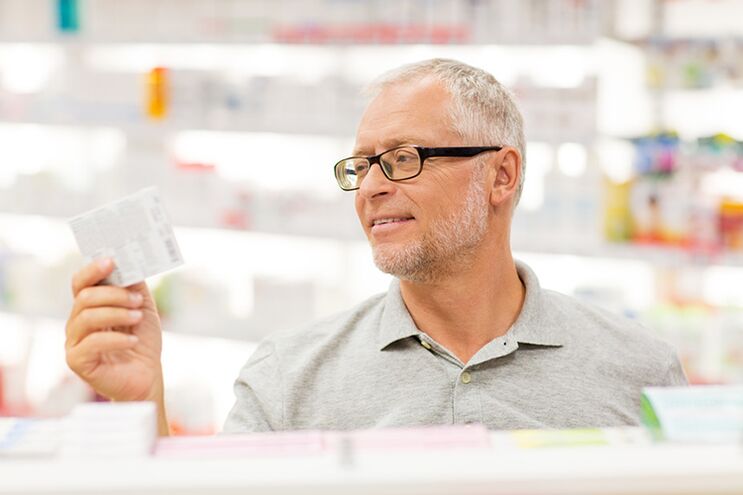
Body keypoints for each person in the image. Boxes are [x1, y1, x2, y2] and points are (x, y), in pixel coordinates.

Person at [65, 59, 687, 436]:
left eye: (402, 159)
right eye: (360, 166)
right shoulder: (288, 376)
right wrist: (143, 402)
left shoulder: (639, 372)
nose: (371, 189)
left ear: (500, 175)